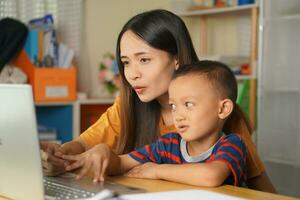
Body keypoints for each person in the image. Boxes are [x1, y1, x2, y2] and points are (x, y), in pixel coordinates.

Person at [41, 9, 276, 192]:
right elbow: (85, 146)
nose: (132, 73)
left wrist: (155, 170)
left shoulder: (215, 114)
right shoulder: (129, 106)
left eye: (143, 60)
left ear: (176, 59)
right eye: (126, 62)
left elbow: (259, 187)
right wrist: (59, 155)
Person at [61, 60, 247, 187]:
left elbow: (211, 176)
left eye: (188, 104)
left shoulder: (232, 144)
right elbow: (122, 163)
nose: (179, 115)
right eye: (173, 106)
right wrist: (103, 153)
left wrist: (158, 171)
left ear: (223, 109)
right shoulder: (168, 144)